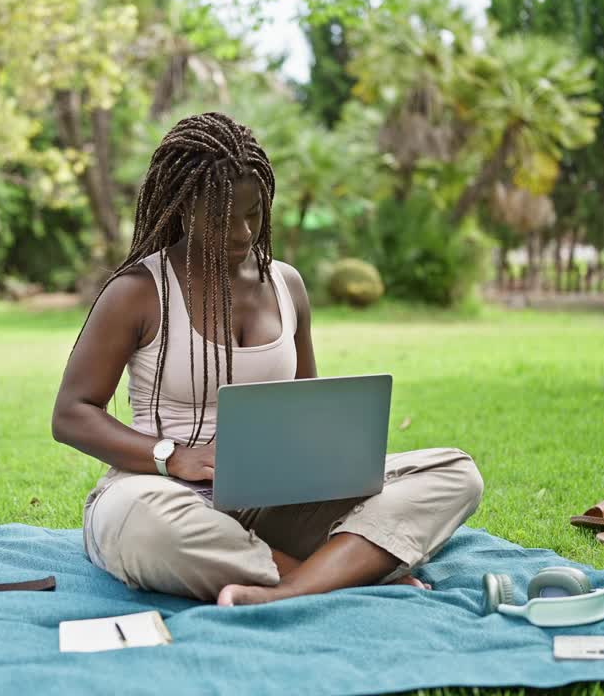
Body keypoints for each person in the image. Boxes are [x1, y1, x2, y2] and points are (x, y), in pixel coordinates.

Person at [51, 112, 483, 606]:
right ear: (184, 207)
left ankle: (294, 586)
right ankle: (339, 573)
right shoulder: (138, 292)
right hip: (162, 494)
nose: (242, 232)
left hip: (278, 502)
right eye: (222, 217)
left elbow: (307, 406)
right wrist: (173, 457)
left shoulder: (287, 285)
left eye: (253, 213)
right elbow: (72, 414)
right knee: (146, 530)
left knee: (455, 473)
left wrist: (330, 463)